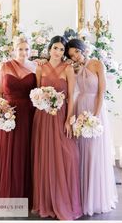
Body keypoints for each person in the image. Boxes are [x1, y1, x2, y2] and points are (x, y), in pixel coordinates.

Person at [31, 36, 82, 220]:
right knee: (45, 157)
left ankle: (63, 200)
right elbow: (35, 92)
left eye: (61, 49)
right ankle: (46, 201)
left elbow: (71, 96)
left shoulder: (68, 68)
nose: (58, 52)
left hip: (60, 117)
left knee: (68, 156)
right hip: (43, 118)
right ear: (49, 48)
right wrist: (41, 100)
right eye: (55, 48)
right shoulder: (40, 67)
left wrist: (69, 120)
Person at [65, 38, 118, 216]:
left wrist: (95, 116)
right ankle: (81, 197)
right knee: (81, 151)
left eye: (77, 52)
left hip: (95, 109)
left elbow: (101, 90)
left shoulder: (97, 64)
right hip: (81, 107)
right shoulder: (73, 68)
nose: (75, 57)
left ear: (83, 49)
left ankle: (95, 198)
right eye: (72, 55)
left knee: (95, 152)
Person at [0, 35, 36, 209]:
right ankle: (6, 194)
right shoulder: (4, 67)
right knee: (7, 151)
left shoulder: (35, 67)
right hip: (8, 115)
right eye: (20, 49)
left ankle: (25, 194)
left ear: (30, 50)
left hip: (28, 114)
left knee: (24, 151)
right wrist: (2, 109)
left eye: (26, 49)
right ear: (14, 50)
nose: (23, 52)